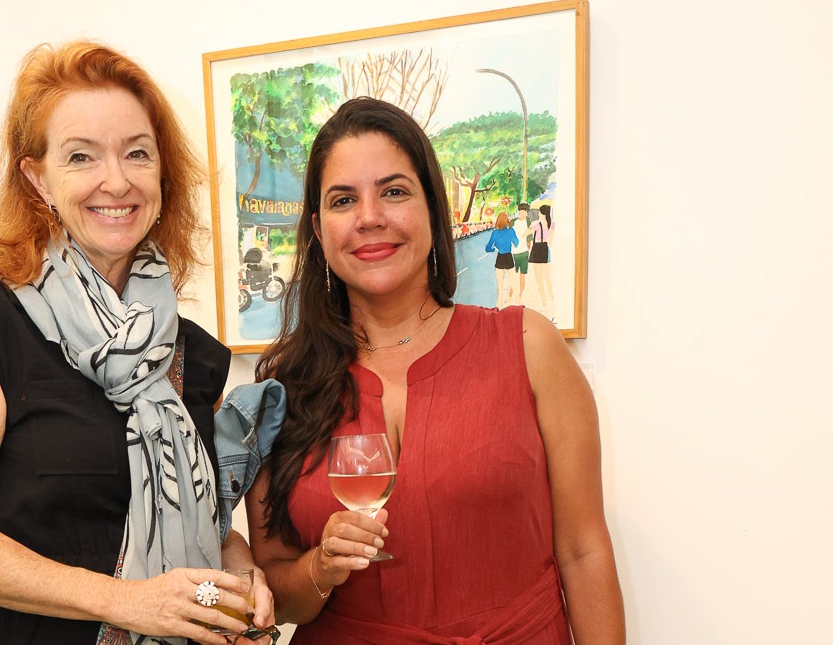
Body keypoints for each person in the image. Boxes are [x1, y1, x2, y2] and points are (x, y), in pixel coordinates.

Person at [0, 40, 276, 645]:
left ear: (162, 173)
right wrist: (126, 602)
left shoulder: (196, 354)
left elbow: (207, 524)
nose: (117, 180)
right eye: (81, 156)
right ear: (38, 179)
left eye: (137, 153)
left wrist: (239, 571)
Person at [244, 97, 624, 643]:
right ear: (319, 230)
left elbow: (584, 552)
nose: (369, 216)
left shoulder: (527, 346)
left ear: (432, 208)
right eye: (344, 200)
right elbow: (276, 594)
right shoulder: (282, 387)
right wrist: (320, 566)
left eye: (394, 191)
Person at [484, 210, 520, 309]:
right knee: (514, 283)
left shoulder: (495, 233)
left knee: (500, 286)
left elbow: (487, 248)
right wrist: (510, 243)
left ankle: (499, 307)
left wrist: (495, 249)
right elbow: (516, 243)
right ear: (507, 220)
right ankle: (518, 305)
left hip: (500, 258)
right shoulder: (510, 230)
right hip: (509, 257)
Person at [529, 201, 556, 310]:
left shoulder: (536, 224)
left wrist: (531, 229)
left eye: (540, 212)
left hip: (537, 250)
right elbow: (550, 242)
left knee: (539, 279)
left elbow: (527, 234)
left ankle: (544, 302)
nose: (538, 213)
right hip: (545, 250)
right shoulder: (552, 224)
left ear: (543, 213)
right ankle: (552, 298)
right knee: (547, 277)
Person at [511, 202, 533, 303]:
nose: (522, 213)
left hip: (524, 252)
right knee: (513, 275)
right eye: (521, 211)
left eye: (524, 211)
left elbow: (529, 238)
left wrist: (529, 244)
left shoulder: (528, 222)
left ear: (526, 212)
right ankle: (511, 294)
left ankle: (520, 295)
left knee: (522, 275)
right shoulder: (513, 222)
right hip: (514, 252)